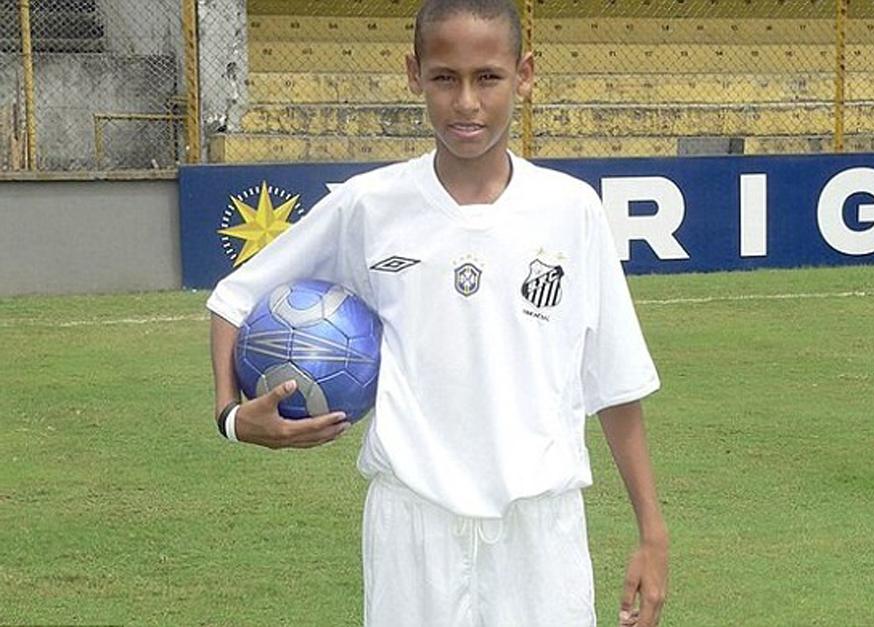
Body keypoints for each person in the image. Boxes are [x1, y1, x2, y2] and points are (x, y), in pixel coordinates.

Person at [207, 0, 668, 625]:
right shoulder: (370, 206)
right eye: (445, 78)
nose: (467, 103)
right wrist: (233, 417)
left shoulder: (572, 210)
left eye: (488, 78)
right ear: (414, 75)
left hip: (541, 531)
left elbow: (613, 384)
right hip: (410, 523)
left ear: (524, 75)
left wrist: (651, 533)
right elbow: (235, 296)